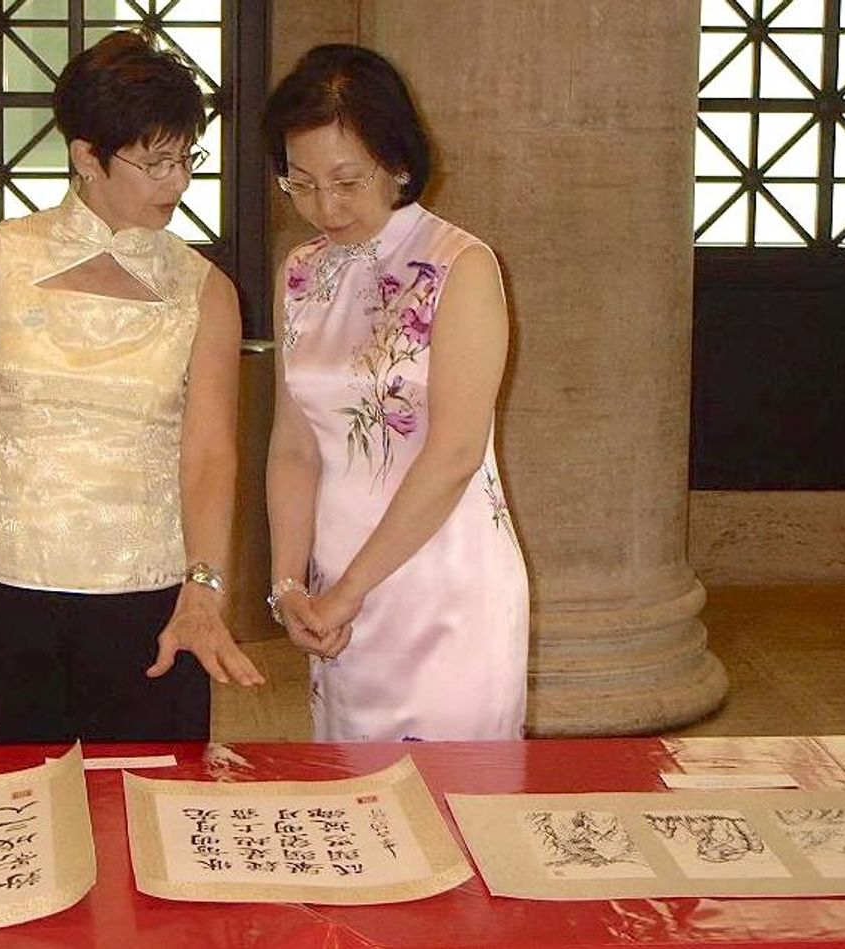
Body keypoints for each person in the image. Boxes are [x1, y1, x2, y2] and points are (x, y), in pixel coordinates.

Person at [0, 31, 263, 746]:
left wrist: (204, 588)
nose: (178, 183)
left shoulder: (206, 291)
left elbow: (209, 456)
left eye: (185, 158)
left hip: (149, 600)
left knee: (143, 797)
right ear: (87, 157)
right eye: (155, 163)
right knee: (5, 797)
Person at [262, 44, 528, 741]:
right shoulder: (301, 271)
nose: (325, 206)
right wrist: (289, 584)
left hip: (442, 587)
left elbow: (456, 453)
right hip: (335, 587)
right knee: (352, 792)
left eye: (347, 181)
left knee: (449, 791)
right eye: (301, 183)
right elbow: (294, 446)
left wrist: (350, 591)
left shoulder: (460, 265)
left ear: (399, 163)